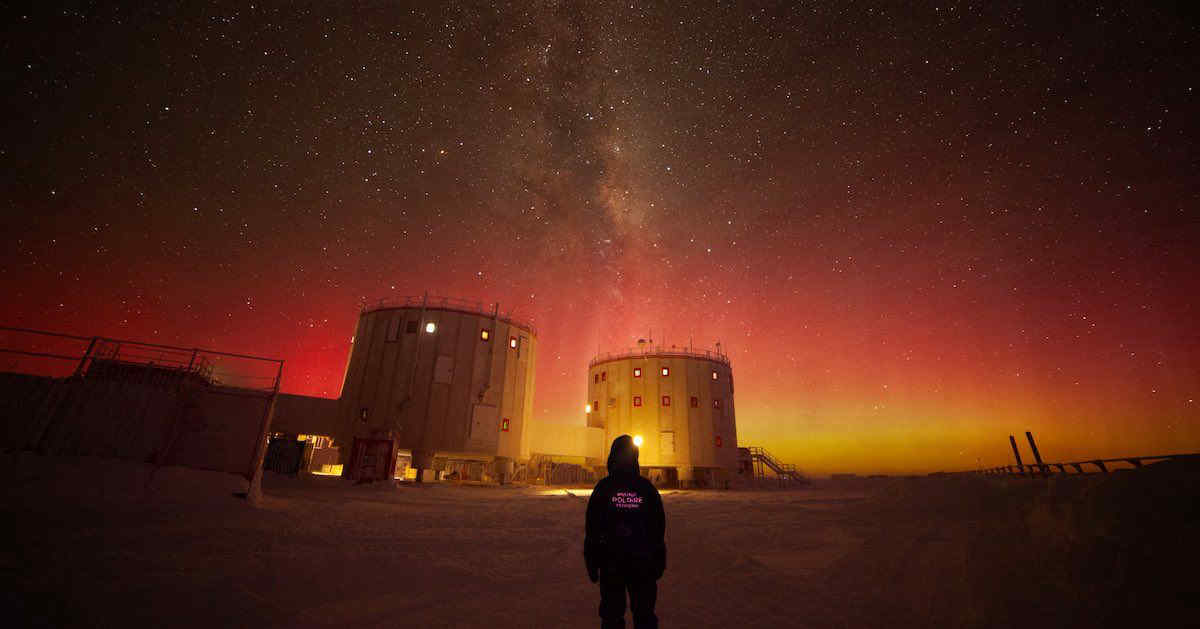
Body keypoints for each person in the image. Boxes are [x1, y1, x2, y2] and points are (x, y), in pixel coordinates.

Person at [584, 435, 667, 629]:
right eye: (622, 454)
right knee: (613, 616)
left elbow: (657, 526)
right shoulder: (605, 488)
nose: (625, 458)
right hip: (611, 563)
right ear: (614, 457)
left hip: (641, 563)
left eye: (629, 454)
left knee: (644, 616)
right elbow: (593, 526)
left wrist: (659, 556)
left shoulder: (645, 489)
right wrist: (591, 558)